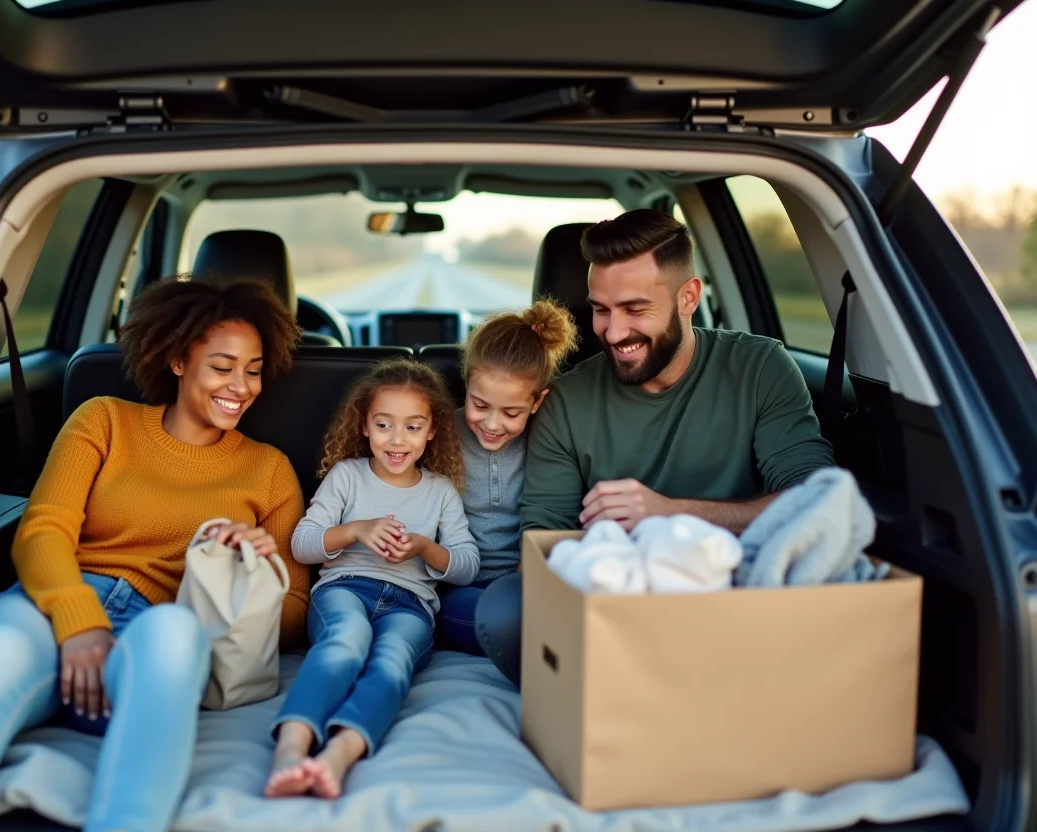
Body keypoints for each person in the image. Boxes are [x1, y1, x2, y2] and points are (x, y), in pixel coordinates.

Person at [0, 277, 311, 832]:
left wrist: (254, 570)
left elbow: (292, 611)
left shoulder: (269, 470)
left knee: (174, 635)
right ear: (175, 359)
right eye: (222, 367)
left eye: (254, 369)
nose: (241, 386)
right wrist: (80, 622)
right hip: (50, 608)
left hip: (161, 625)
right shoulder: (104, 420)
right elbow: (43, 530)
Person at [474, 209, 835, 685]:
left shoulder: (760, 367)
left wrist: (671, 513)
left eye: (634, 309)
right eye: (601, 309)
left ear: (689, 297)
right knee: (503, 611)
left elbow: (817, 500)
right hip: (613, 604)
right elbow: (543, 539)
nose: (614, 331)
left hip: (739, 595)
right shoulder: (567, 398)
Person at [266, 358, 479, 799]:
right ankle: (291, 747)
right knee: (346, 640)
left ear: (432, 430)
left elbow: (466, 562)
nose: (397, 440)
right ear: (364, 426)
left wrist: (423, 546)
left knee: (392, 658)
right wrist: (356, 529)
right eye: (384, 425)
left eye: (413, 427)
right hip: (345, 590)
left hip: (412, 605)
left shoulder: (439, 491)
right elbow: (302, 544)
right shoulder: (348, 477)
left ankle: (340, 753)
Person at [436, 299, 578, 654]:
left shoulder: (551, 441)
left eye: (511, 412)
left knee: (536, 610)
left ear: (537, 402)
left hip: (527, 581)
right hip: (459, 586)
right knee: (499, 619)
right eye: (480, 405)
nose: (492, 424)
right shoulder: (439, 436)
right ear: (466, 385)